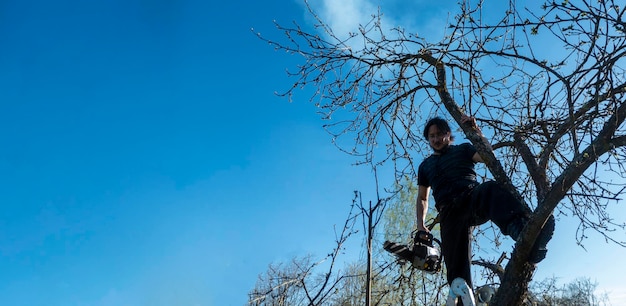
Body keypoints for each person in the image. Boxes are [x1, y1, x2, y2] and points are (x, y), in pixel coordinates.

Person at [416, 115, 555, 303]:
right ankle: (464, 301)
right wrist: (420, 224)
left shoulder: (463, 149)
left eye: (440, 134)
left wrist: (476, 132)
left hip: (471, 199)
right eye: (432, 136)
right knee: (456, 272)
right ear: (428, 139)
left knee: (491, 189)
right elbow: (423, 198)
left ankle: (523, 231)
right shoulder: (425, 166)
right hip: (449, 214)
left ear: (448, 135)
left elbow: (487, 156)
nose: (436, 139)